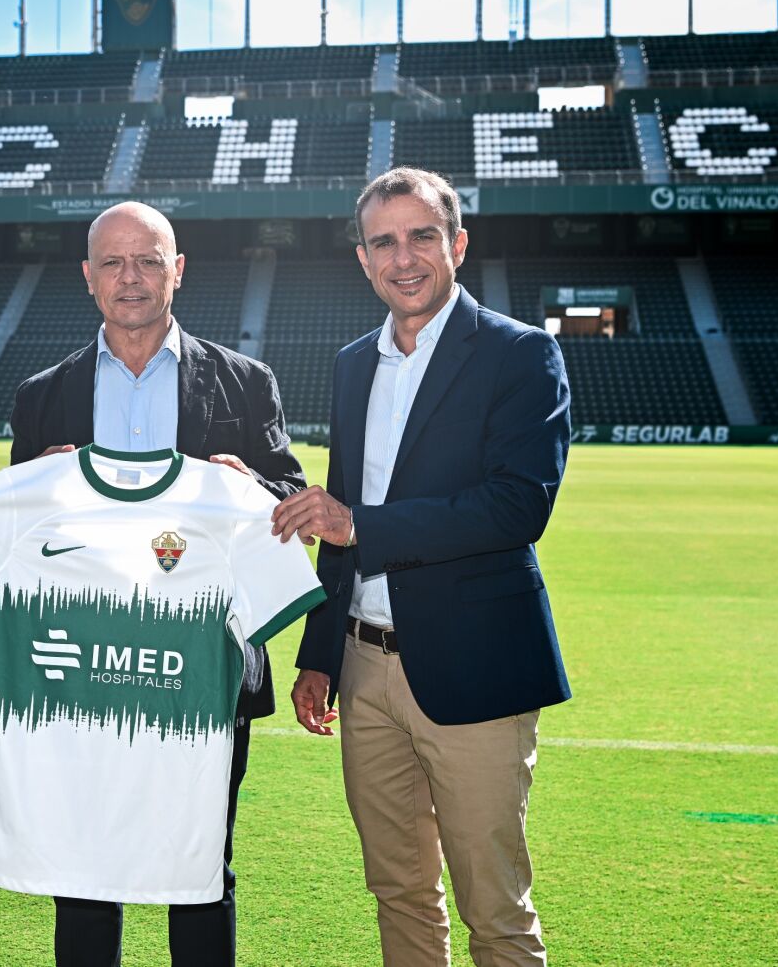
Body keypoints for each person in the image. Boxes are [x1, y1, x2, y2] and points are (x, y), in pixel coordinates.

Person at [271, 167, 573, 967]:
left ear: (457, 244)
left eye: (421, 236)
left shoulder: (520, 353)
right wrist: (319, 653)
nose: (403, 258)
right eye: (384, 242)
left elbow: (516, 508)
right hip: (364, 669)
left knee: (494, 910)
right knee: (399, 891)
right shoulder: (352, 363)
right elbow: (341, 511)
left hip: (476, 667)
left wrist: (358, 524)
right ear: (363, 259)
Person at [8, 200, 306, 967]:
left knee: (199, 869)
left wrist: (255, 490)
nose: (130, 277)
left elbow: (293, 503)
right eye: (113, 261)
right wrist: (41, 491)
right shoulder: (42, 395)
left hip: (206, 668)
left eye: (148, 260)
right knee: (82, 875)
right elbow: (18, 540)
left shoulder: (246, 383)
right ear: (88, 276)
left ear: (178, 270)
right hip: (84, 668)